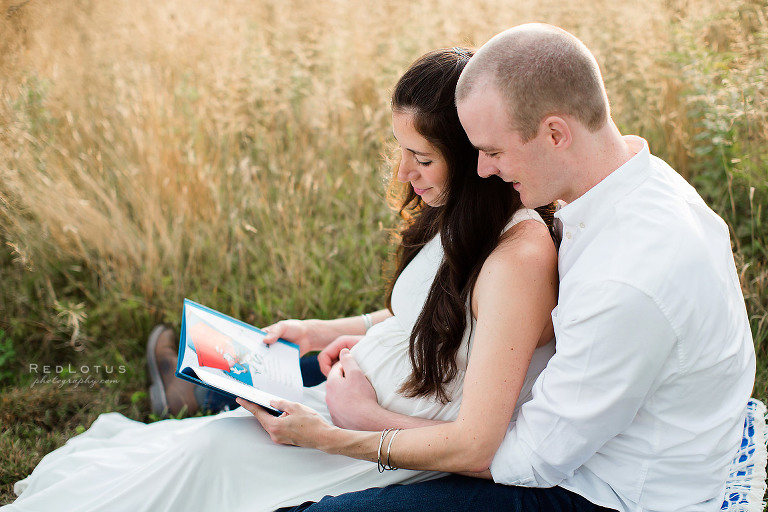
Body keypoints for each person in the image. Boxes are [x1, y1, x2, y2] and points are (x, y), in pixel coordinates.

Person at [2, 47, 561, 512]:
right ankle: (198, 399)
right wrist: (322, 331)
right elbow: (429, 314)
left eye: (421, 157)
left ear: (474, 157)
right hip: (349, 405)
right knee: (206, 447)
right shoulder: (460, 214)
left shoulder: (517, 259)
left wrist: (343, 425)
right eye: (400, 151)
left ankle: (196, 401)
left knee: (210, 461)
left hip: (388, 448)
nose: (402, 174)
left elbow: (476, 443)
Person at [236, 24, 757, 512]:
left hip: (606, 493)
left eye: (493, 151)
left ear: (556, 133)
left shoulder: (627, 276)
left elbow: (525, 459)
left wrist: (349, 431)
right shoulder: (638, 184)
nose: (482, 169)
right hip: (581, 448)